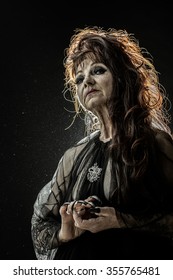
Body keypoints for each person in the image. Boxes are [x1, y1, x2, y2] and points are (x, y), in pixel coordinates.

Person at [31, 26, 173, 260]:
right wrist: (65, 232)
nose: (86, 81)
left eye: (97, 70)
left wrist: (121, 220)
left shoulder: (155, 143)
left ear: (121, 76)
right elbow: (40, 225)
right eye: (79, 78)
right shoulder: (73, 156)